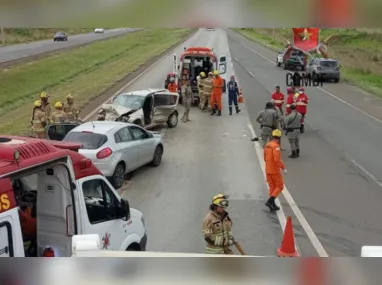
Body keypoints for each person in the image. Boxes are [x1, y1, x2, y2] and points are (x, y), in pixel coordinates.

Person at [264, 129, 287, 211]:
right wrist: (283, 167)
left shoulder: (268, 145)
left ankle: (272, 205)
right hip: (274, 170)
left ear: (273, 136)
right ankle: (270, 201)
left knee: (272, 187)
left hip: (267, 169)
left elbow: (264, 157)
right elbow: (277, 160)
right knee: (280, 186)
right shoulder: (276, 147)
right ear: (279, 137)